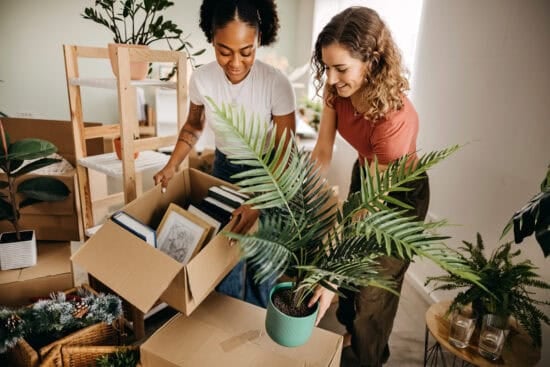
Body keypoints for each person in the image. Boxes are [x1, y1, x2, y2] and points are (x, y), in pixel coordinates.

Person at [153, 0, 296, 308]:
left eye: (246, 51)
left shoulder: (276, 84)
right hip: (224, 171)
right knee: (223, 259)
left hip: (269, 176)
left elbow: (286, 154)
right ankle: (225, 329)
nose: (235, 62)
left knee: (262, 265)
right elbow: (193, 126)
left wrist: (258, 202)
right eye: (224, 50)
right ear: (211, 39)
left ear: (259, 39)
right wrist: (171, 165)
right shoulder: (202, 79)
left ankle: (257, 330)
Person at [308, 6, 430, 367]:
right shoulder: (337, 91)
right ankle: (352, 332)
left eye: (340, 68)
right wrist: (299, 195)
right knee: (351, 284)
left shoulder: (394, 120)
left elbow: (365, 214)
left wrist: (327, 278)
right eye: (326, 67)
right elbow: (322, 151)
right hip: (368, 177)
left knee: (373, 288)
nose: (330, 79)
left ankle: (369, 355)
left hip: (400, 196)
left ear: (372, 62)